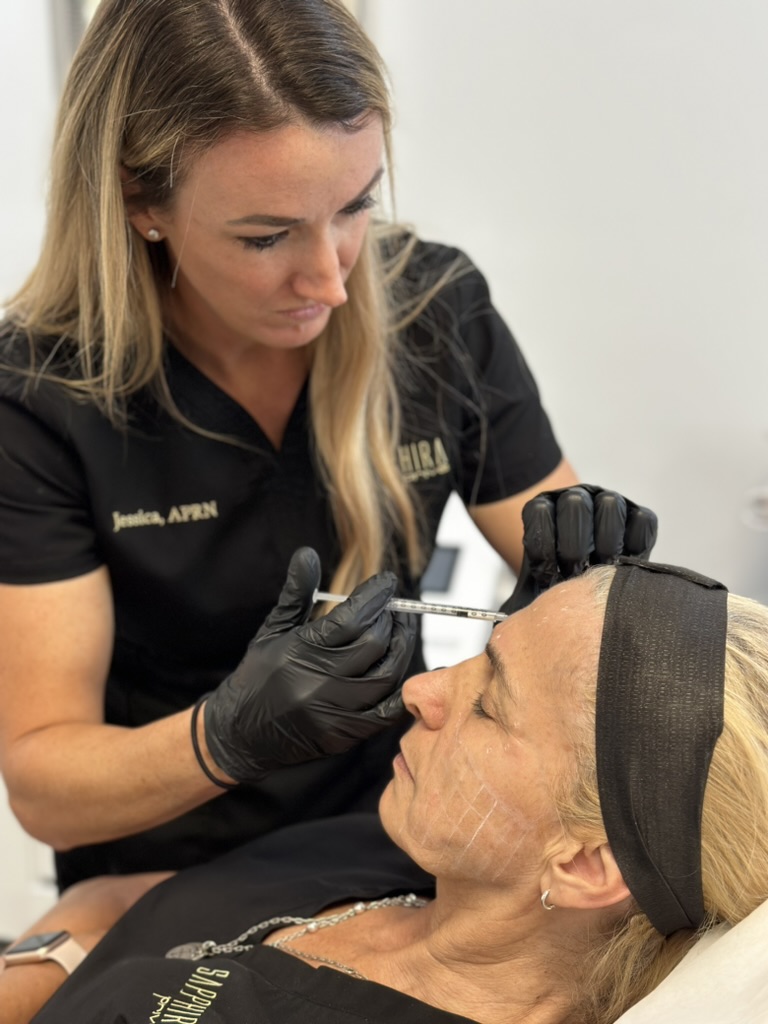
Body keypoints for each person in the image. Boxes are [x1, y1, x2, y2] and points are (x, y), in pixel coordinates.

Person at [0, 0, 656, 889]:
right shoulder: (39, 400)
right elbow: (47, 787)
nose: (331, 280)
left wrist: (583, 598)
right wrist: (224, 736)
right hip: (166, 877)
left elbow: (576, 588)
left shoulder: (438, 313)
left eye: (354, 207)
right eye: (265, 236)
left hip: (411, 838)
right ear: (138, 200)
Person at [2, 557, 766, 1024]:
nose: (422, 690)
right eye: (480, 653)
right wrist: (38, 971)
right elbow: (117, 904)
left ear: (584, 863)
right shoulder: (404, 854)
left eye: (490, 703)